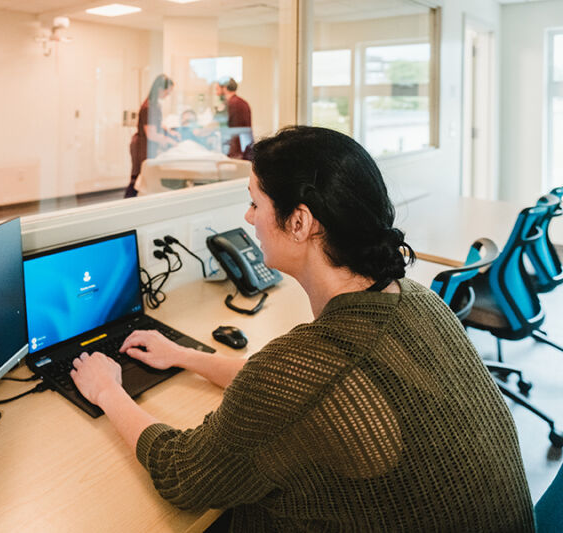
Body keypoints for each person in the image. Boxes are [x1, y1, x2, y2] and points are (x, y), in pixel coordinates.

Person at [70, 126, 535, 531]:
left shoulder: (306, 368)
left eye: (255, 203)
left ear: (299, 222)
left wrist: (108, 389)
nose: (249, 218)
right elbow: (294, 393)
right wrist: (185, 355)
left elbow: (184, 475)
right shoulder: (418, 300)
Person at [126, 74, 179, 198]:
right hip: (142, 146)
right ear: (160, 89)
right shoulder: (149, 107)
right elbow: (152, 134)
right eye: (168, 92)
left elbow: (156, 125)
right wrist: (170, 141)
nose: (168, 95)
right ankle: (127, 204)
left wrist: (170, 132)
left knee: (143, 177)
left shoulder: (154, 105)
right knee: (139, 177)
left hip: (146, 145)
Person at [218, 77, 252, 159]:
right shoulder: (242, 102)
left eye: (217, 89)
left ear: (225, 88)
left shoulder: (232, 104)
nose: (216, 93)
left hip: (236, 151)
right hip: (243, 149)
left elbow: (222, 125)